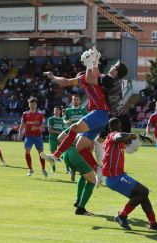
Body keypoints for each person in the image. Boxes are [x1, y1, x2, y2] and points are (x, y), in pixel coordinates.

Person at [41, 48, 128, 186]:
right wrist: (53, 77)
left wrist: (91, 62)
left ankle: (55, 156)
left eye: (114, 67)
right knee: (81, 147)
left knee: (74, 128)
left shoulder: (99, 80)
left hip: (100, 113)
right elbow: (68, 80)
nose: (80, 81)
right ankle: (97, 169)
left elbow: (87, 77)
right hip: (101, 117)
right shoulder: (96, 79)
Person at [103, 117, 157, 231]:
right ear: (118, 126)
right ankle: (121, 215)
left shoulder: (116, 139)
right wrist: (130, 136)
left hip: (118, 176)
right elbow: (118, 137)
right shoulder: (113, 135)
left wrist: (137, 140)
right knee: (143, 192)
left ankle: (153, 223)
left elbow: (128, 146)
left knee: (142, 195)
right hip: (114, 177)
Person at [59, 129, 96, 215]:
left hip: (66, 154)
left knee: (84, 176)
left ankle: (78, 200)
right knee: (92, 181)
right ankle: (80, 209)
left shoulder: (78, 127)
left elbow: (60, 137)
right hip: (76, 154)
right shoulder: (92, 129)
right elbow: (90, 146)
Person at [18, 97, 47, 177]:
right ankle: (30, 169)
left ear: (36, 105)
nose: (32, 105)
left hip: (38, 136)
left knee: (41, 153)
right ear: (29, 105)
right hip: (28, 136)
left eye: (34, 104)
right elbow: (22, 125)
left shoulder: (40, 114)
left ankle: (43, 169)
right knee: (27, 151)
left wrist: (36, 128)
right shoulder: (25, 114)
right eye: (31, 104)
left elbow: (43, 125)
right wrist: (20, 134)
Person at [47, 106, 64, 173]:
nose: (57, 111)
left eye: (58, 110)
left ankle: (68, 169)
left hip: (60, 138)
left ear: (60, 111)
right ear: (54, 111)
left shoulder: (62, 120)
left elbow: (64, 129)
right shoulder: (51, 119)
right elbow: (49, 130)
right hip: (53, 138)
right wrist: (58, 132)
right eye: (55, 110)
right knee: (53, 154)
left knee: (64, 152)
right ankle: (53, 168)